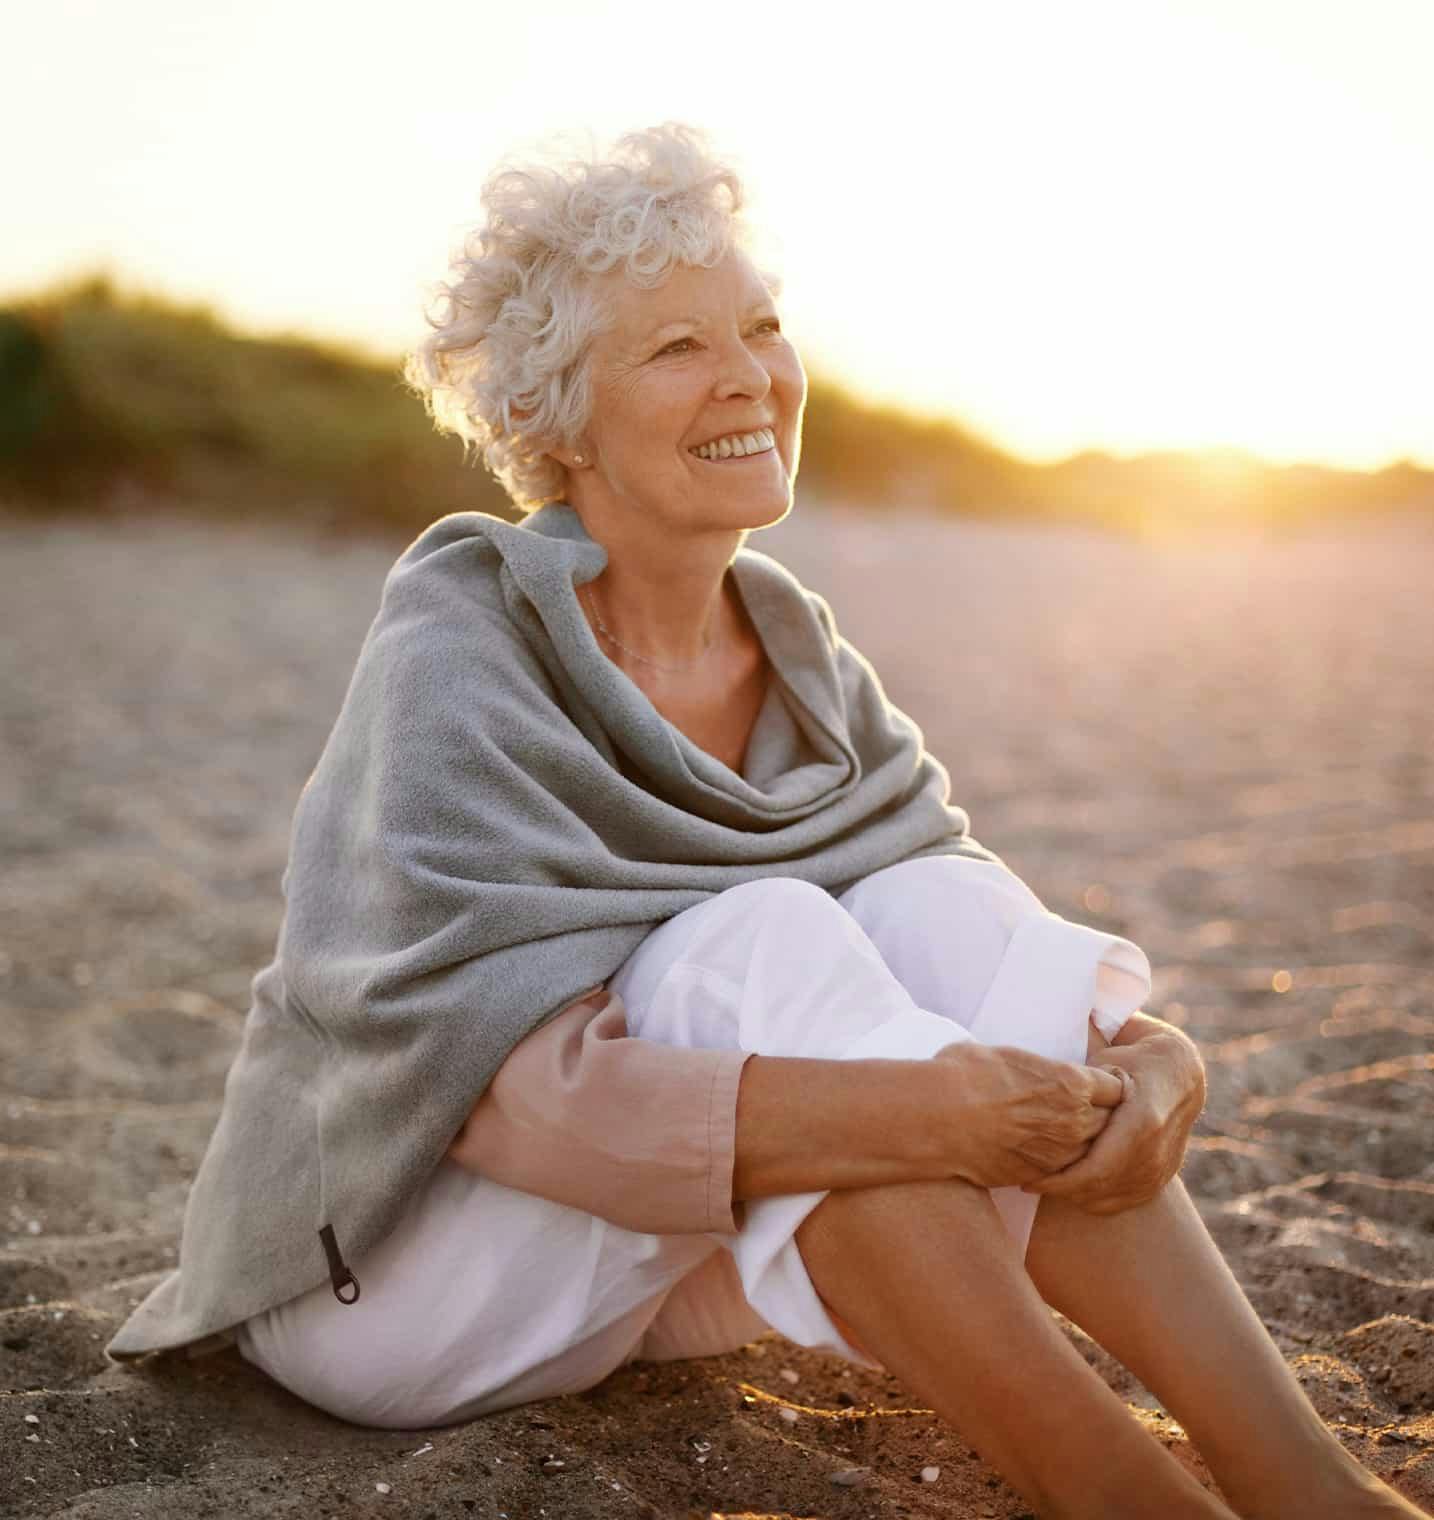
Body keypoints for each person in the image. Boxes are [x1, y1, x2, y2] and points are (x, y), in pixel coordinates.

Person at [106, 123, 1424, 1520]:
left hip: (651, 1264)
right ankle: (1110, 1492)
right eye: (674, 348)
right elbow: (499, 1099)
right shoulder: (463, 649)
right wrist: (923, 1110)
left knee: (929, 903)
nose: (748, 375)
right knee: (758, 936)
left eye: (761, 325)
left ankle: (1301, 1483)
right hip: (389, 1273)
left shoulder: (799, 654)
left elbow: (981, 947)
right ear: (555, 421)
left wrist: (1154, 1072)